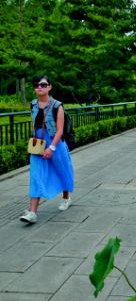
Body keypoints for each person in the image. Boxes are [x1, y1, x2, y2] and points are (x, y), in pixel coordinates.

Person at [20, 75, 74, 224]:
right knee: (35, 175)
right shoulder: (33, 104)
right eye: (37, 85)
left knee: (62, 170)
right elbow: (34, 124)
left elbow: (60, 130)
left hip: (55, 143)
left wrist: (51, 148)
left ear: (50, 87)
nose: (40, 87)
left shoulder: (57, 106)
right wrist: (33, 141)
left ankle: (66, 197)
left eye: (43, 85)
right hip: (38, 143)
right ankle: (32, 213)